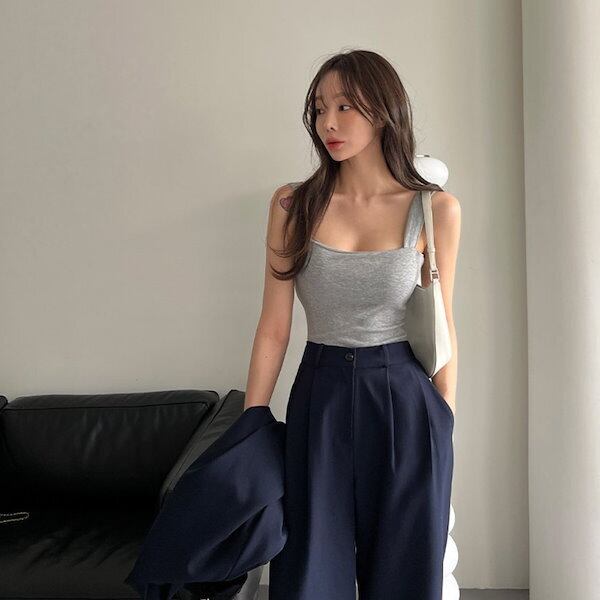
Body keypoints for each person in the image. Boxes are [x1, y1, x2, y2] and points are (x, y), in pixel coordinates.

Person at [243, 49, 461, 600]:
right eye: (320, 109)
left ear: (383, 110)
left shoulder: (435, 210)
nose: (329, 123)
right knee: (310, 573)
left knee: (407, 577)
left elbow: (443, 323)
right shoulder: (292, 205)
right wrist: (251, 423)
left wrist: (444, 419)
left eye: (345, 106)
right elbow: (274, 327)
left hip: (406, 399)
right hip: (321, 396)